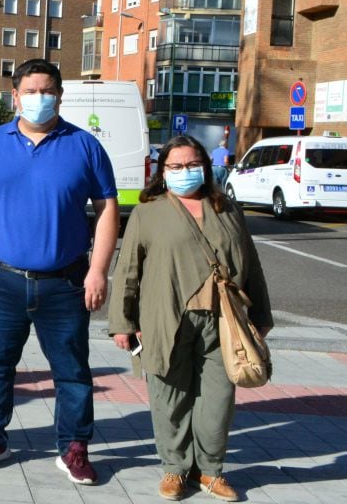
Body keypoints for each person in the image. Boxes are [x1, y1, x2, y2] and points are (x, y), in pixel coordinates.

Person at [0, 58, 119, 484]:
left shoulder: (85, 146)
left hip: (65, 283)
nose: (38, 98)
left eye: (46, 91)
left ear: (60, 96)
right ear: (15, 95)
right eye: (30, 91)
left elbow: (106, 210)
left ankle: (74, 447)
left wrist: (99, 269)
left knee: (72, 371)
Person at [108, 135, 272, 502]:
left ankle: (210, 471)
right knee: (170, 398)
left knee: (218, 400)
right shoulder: (148, 212)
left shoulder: (227, 208)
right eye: (176, 166)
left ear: (206, 167)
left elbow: (252, 264)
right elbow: (128, 270)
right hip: (165, 319)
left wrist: (260, 313)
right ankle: (174, 468)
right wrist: (122, 322)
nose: (185, 172)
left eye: (193, 164)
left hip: (224, 323)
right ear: (162, 171)